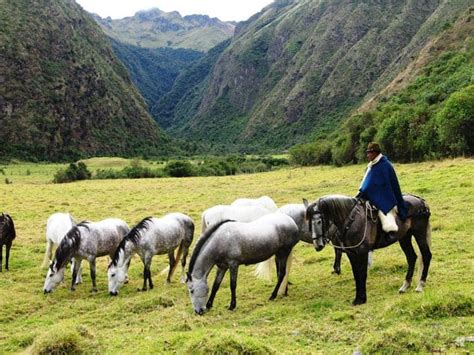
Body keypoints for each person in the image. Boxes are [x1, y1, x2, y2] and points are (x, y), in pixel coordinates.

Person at [357, 142, 407, 246]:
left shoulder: (385, 165)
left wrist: (377, 194)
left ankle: (390, 232)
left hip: (384, 196)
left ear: (375, 153)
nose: (368, 155)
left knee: (384, 210)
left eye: (369, 152)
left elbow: (389, 184)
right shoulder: (371, 166)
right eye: (367, 152)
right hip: (369, 196)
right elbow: (367, 182)